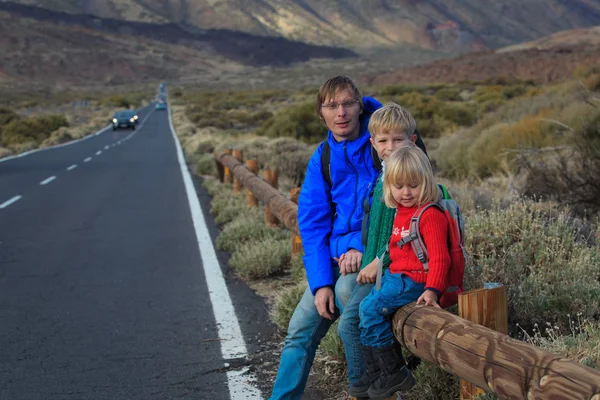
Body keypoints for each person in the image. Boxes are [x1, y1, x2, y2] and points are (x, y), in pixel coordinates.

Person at [268, 76, 382, 400]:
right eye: (332, 106)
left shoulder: (383, 143)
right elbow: (313, 224)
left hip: (374, 257)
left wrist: (363, 248)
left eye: (348, 103)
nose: (341, 112)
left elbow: (398, 210)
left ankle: (378, 389)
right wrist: (320, 285)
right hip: (334, 258)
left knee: (351, 304)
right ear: (321, 113)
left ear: (360, 106)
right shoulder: (323, 158)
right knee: (299, 331)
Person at [338, 103, 423, 398]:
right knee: (351, 324)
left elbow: (410, 234)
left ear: (412, 141)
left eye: (397, 140)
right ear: (372, 143)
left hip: (392, 271)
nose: (390, 147)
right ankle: (370, 384)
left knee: (350, 323)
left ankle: (371, 384)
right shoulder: (382, 178)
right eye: (383, 141)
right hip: (378, 269)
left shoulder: (411, 182)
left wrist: (379, 260)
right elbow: (378, 229)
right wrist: (366, 254)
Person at [354, 146, 451, 400]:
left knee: (369, 310)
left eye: (413, 185)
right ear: (389, 187)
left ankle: (394, 371)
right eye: (398, 186)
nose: (405, 192)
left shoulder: (429, 215)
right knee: (365, 309)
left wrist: (432, 290)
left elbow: (440, 257)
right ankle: (377, 371)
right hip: (397, 277)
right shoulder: (401, 211)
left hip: (414, 281)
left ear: (426, 183)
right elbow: (396, 246)